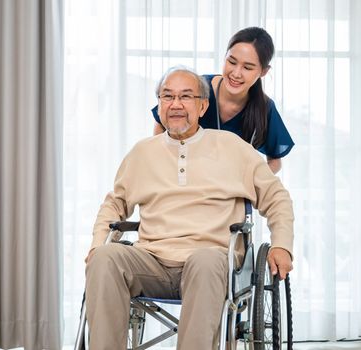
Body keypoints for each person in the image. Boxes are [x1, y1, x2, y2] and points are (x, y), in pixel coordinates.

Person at [85, 67, 294, 349]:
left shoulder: (232, 147)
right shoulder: (142, 153)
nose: (176, 104)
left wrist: (281, 244)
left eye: (186, 96)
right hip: (153, 260)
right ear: (159, 105)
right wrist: (98, 245)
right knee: (105, 257)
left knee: (205, 260)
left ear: (203, 105)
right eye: (167, 96)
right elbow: (114, 205)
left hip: (211, 260)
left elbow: (276, 196)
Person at [151, 27, 294, 174]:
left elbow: (275, 161)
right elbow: (162, 119)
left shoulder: (265, 108)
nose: (236, 73)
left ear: (263, 72)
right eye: (232, 62)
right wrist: (167, 170)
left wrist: (250, 185)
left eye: (247, 67)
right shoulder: (198, 88)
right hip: (187, 181)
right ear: (225, 56)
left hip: (231, 192)